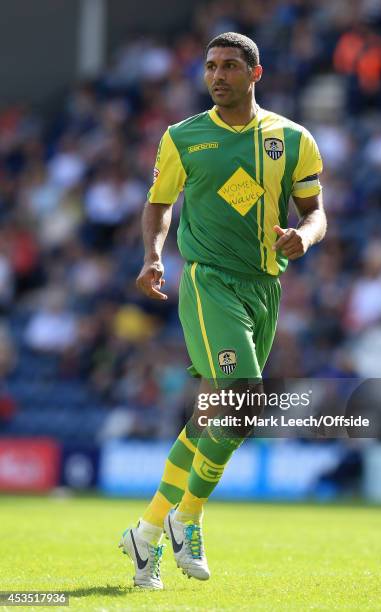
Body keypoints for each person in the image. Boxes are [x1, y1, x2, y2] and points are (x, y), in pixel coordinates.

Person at [119, 32, 326, 590]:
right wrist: (152, 255)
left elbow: (315, 211)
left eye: (230, 66)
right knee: (243, 400)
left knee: (217, 415)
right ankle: (187, 519)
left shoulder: (292, 138)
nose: (217, 76)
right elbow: (158, 205)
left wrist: (305, 237)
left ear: (255, 74)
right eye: (210, 66)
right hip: (210, 282)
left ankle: (146, 532)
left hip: (265, 287)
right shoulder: (182, 138)